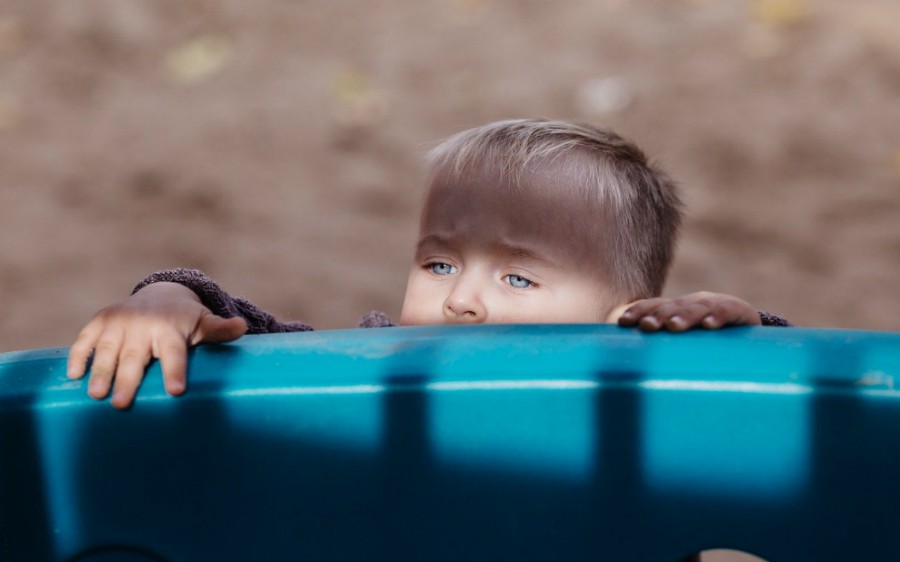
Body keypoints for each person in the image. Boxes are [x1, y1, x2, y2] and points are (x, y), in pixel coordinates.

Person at [67, 119, 788, 409]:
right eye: (439, 265)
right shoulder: (382, 363)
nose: (462, 302)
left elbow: (785, 413)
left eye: (517, 277)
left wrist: (746, 331)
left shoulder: (636, 397)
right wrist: (167, 299)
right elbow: (258, 337)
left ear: (626, 315)